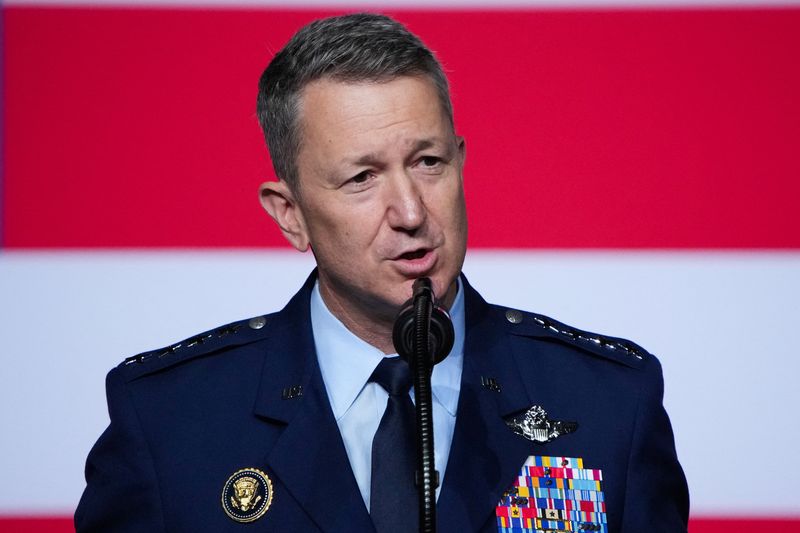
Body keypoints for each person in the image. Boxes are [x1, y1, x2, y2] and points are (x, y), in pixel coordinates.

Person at [75, 13, 689, 533]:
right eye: (362, 178)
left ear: (461, 164)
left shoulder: (611, 404)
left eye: (428, 162)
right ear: (291, 216)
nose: (412, 212)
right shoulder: (168, 423)